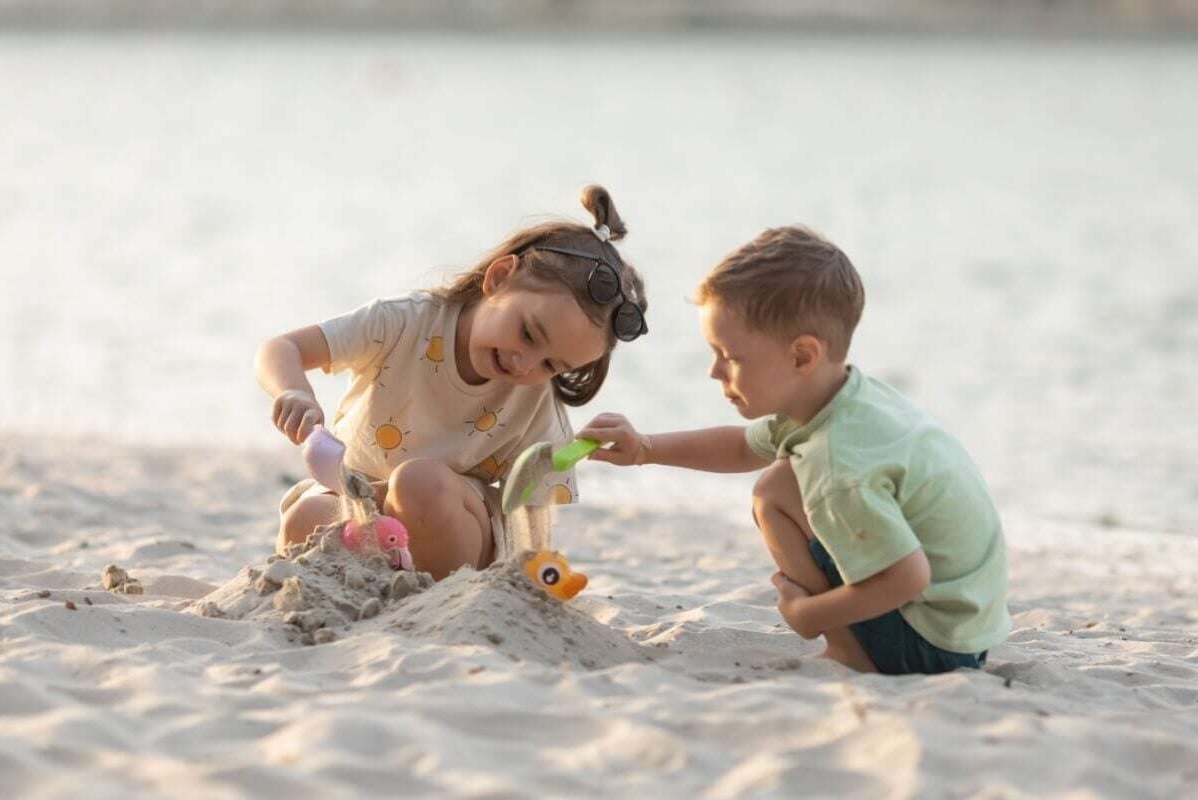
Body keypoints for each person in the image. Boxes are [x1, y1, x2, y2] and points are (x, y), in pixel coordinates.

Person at [579, 226, 1008, 675]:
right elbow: (741, 447)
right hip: (964, 628)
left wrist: (809, 616)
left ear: (802, 356)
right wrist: (645, 448)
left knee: (774, 492)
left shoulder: (836, 462)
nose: (714, 371)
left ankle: (848, 652)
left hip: (933, 645)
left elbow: (907, 577)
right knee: (783, 476)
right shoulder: (847, 398)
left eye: (730, 356)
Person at [255, 185, 648, 580]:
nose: (524, 363)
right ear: (498, 278)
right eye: (527, 334)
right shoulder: (403, 322)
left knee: (417, 482)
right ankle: (379, 575)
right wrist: (293, 391)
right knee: (306, 518)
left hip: (451, 522)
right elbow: (282, 347)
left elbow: (533, 525)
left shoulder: (536, 403)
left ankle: (432, 592)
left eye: (551, 364)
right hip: (356, 495)